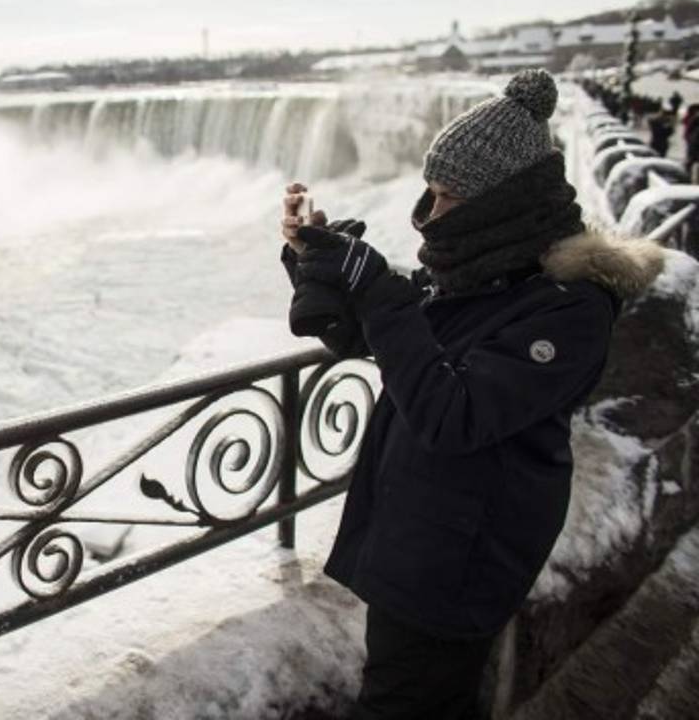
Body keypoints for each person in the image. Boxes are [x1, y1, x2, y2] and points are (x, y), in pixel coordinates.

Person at [279, 69, 665, 719]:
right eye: (429, 191)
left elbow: (450, 414)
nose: (431, 214)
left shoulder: (567, 309)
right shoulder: (497, 276)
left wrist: (373, 287)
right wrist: (319, 262)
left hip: (457, 562)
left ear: (504, 204)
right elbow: (410, 345)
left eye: (449, 195)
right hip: (426, 539)